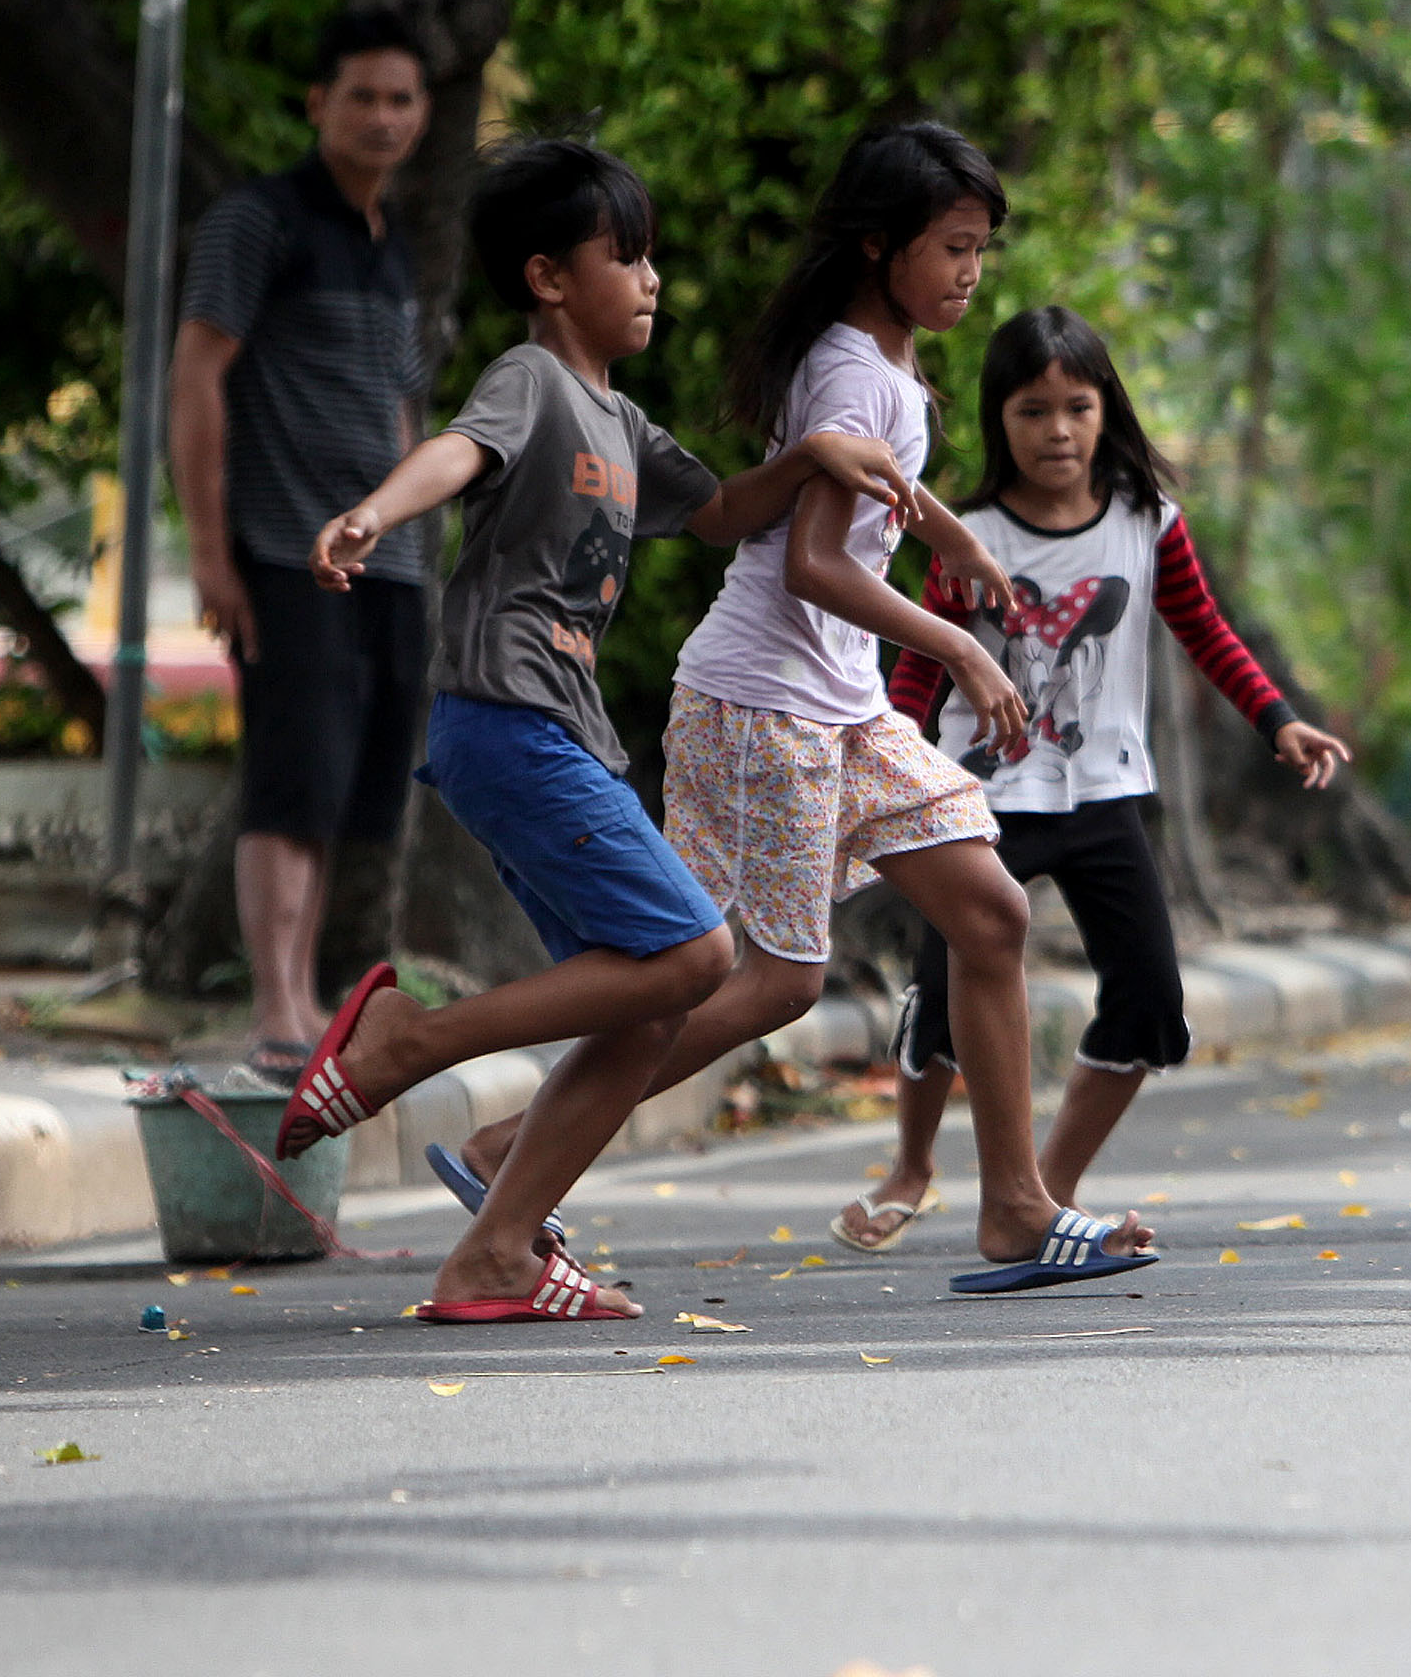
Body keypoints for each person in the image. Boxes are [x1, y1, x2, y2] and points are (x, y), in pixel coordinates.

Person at [436, 126, 1158, 1293]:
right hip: (764, 701)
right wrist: (963, 654)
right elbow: (814, 560)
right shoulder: (854, 369)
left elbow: (868, 485)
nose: (972, 272)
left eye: (982, 249)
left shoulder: (876, 360)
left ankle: (1019, 1208)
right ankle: (513, 1151)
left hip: (835, 700)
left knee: (988, 910)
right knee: (763, 979)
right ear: (882, 248)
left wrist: (949, 531)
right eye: (953, 248)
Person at [276, 138, 921, 1324]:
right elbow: (458, 450)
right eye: (624, 256)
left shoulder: (622, 423)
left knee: (651, 1003)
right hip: (509, 717)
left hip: (553, 732)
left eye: (652, 257)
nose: (651, 278)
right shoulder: (536, 384)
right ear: (549, 279)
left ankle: (493, 1254)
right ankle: (404, 1041)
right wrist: (373, 510)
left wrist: (815, 454)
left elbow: (725, 512)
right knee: (697, 955)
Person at [822, 305, 1350, 1250]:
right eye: (1032, 411)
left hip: (1106, 795)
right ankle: (910, 1169)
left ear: (1107, 411)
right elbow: (915, 670)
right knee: (943, 996)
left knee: (1149, 1000)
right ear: (999, 421)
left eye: (1077, 406)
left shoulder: (1150, 524)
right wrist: (886, 774)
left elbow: (1206, 632)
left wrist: (1279, 721)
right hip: (973, 801)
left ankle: (1038, 1194)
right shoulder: (966, 537)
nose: (1057, 431)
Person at [169, 8, 434, 1071]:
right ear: (318, 102)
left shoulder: (393, 245)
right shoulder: (257, 221)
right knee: (289, 779)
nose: (382, 116)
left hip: (394, 563)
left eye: (401, 98)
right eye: (361, 94)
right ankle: (277, 1008)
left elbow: (406, 413)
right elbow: (197, 374)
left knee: (348, 790)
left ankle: (310, 994)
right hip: (286, 551)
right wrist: (208, 549)